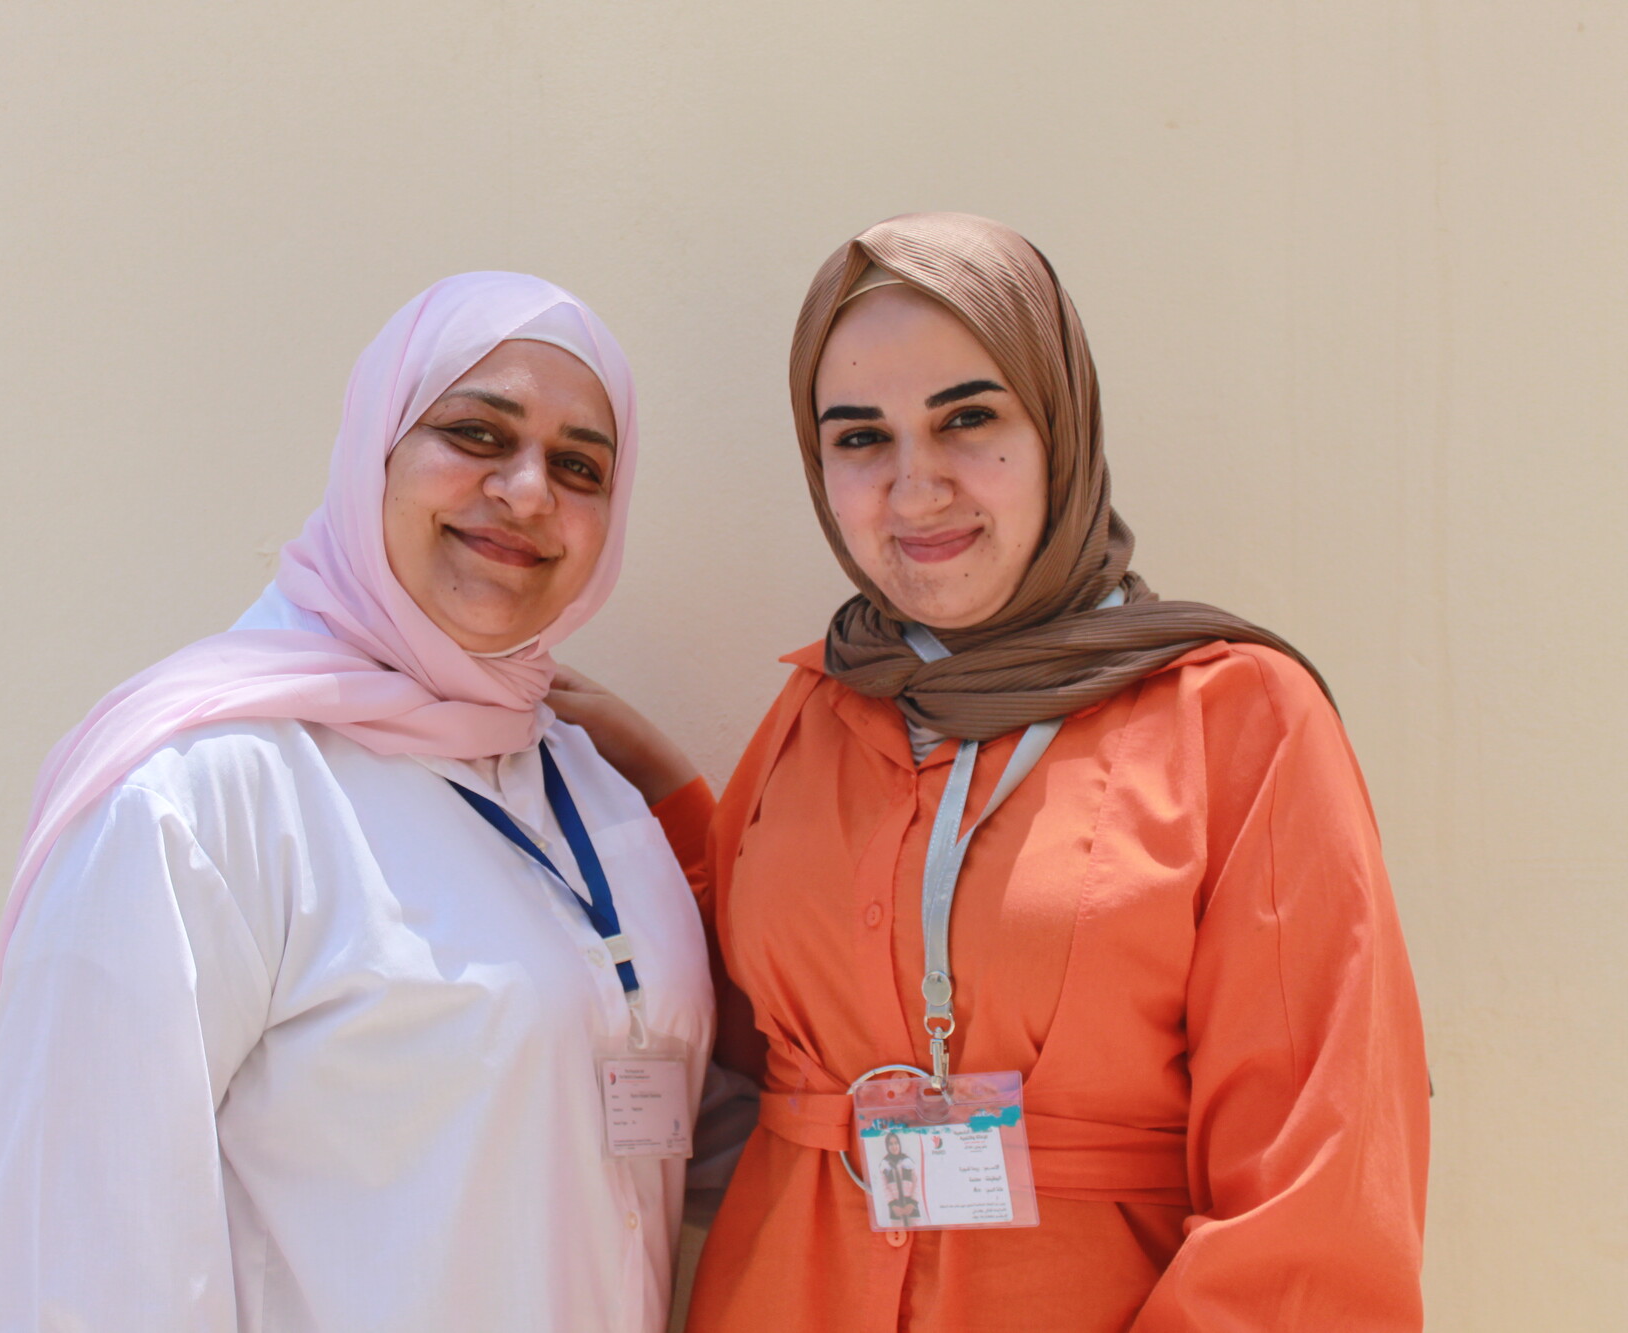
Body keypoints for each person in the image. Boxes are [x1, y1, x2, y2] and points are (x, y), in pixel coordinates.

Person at [556, 214, 1430, 1330]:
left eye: (967, 418)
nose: (916, 488)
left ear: (1057, 424)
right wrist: (652, 781)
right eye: (860, 437)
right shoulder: (816, 709)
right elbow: (731, 1013)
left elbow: (1316, 1189)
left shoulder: (1235, 720)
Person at [0, 271, 714, 1333]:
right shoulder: (202, 797)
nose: (527, 490)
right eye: (476, 433)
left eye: (579, 466)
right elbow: (85, 1259)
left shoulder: (590, 788)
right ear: (375, 454)